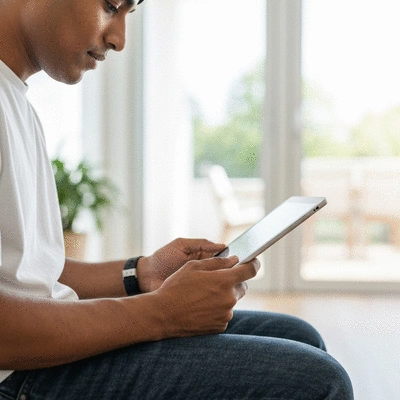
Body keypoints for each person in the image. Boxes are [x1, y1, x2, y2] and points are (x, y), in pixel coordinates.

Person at [0, 0, 354, 398]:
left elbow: (32, 275)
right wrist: (160, 313)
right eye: (110, 5)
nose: (118, 39)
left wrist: (143, 273)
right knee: (319, 382)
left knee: (298, 334)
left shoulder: (16, 101)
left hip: (38, 354)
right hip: (17, 376)